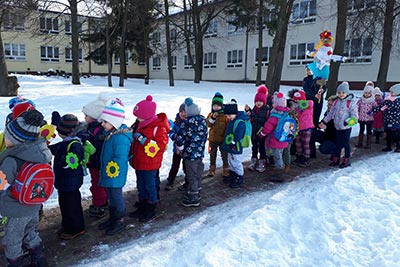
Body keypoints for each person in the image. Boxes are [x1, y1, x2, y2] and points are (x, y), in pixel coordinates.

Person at [0, 109, 51, 267]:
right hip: (33, 206)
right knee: (31, 233)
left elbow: (1, 186)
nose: (5, 138)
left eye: (7, 135)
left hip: (14, 211)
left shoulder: (11, 160)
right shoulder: (41, 153)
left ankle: (15, 264)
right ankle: (39, 259)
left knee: (12, 240)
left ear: (16, 140)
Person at [129, 95, 169, 221]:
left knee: (149, 185)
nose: (137, 118)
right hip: (139, 161)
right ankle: (143, 204)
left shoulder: (158, 127)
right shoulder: (139, 124)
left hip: (150, 163)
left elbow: (161, 146)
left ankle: (151, 207)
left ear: (147, 115)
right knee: (140, 184)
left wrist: (144, 140)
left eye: (139, 116)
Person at [97, 98, 133, 235]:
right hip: (109, 171)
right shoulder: (111, 134)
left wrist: (113, 168)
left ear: (114, 122)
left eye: (105, 122)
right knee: (110, 196)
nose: (102, 124)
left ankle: (120, 220)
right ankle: (113, 217)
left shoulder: (120, 138)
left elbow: (120, 157)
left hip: (115, 173)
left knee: (116, 196)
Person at [49, 114, 85, 240]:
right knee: (64, 204)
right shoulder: (66, 142)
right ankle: (67, 225)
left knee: (72, 206)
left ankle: (76, 228)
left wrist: (62, 161)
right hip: (64, 182)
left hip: (71, 182)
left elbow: (73, 161)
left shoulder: (74, 144)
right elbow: (55, 148)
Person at [176, 97, 208, 206]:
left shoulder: (186, 123)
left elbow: (180, 137)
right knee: (198, 172)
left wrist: (180, 148)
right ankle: (197, 189)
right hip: (199, 153)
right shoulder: (203, 122)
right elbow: (204, 136)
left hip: (190, 154)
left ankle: (193, 197)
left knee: (191, 175)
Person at [81, 95, 109, 218]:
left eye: (86, 115)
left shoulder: (97, 131)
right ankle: (104, 201)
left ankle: (99, 205)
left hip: (96, 163)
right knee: (99, 183)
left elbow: (95, 148)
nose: (84, 117)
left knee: (97, 184)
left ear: (94, 117)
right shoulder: (92, 127)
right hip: (95, 162)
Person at [319, 81, 358, 168]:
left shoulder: (350, 103)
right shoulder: (336, 102)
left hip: (346, 127)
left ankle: (346, 159)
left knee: (345, 143)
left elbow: (355, 117)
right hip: (337, 127)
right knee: (339, 143)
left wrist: (347, 121)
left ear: (347, 93)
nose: (341, 94)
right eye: (339, 93)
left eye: (343, 92)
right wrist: (325, 121)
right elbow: (331, 113)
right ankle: (336, 158)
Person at [259, 92, 291, 182]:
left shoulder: (274, 116)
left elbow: (267, 128)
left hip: (276, 140)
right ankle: (280, 168)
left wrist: (261, 134)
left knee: (277, 157)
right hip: (283, 139)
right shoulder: (286, 114)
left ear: (274, 104)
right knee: (279, 155)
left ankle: (279, 174)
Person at [222, 99, 249, 188]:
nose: (228, 117)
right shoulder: (232, 120)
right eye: (227, 115)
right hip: (231, 145)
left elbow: (238, 136)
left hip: (236, 145)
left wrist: (232, 142)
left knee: (236, 161)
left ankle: (239, 176)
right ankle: (233, 173)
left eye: (229, 115)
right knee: (231, 160)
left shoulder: (240, 122)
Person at [244, 85, 270, 173]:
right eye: (257, 101)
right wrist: (248, 112)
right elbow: (252, 118)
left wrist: (264, 132)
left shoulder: (266, 111)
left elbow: (267, 123)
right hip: (254, 133)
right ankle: (254, 160)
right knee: (254, 147)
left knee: (262, 148)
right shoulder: (254, 110)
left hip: (262, 134)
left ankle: (262, 161)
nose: (258, 103)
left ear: (264, 102)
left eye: (260, 101)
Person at [205, 92, 229, 177]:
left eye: (218, 106)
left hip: (222, 139)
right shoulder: (210, 114)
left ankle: (226, 168)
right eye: (214, 106)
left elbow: (228, 126)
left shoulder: (225, 116)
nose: (216, 107)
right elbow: (208, 124)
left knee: (224, 155)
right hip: (213, 139)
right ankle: (212, 168)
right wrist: (212, 118)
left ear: (222, 106)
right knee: (212, 154)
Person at [288, 89, 314, 167]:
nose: (298, 102)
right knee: (298, 144)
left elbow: (310, 103)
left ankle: (306, 158)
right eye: (296, 100)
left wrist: (301, 103)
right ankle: (299, 157)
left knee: (305, 144)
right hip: (298, 128)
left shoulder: (308, 104)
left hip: (307, 128)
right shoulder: (296, 108)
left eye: (299, 100)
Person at [164, 103, 187, 191]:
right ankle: (170, 180)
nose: (183, 114)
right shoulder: (176, 123)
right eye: (181, 112)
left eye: (185, 112)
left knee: (186, 166)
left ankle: (187, 181)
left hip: (185, 150)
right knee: (175, 166)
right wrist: (174, 136)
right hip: (176, 150)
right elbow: (171, 132)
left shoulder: (189, 123)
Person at [373, 84, 400, 152]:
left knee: (395, 134)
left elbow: (394, 106)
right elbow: (381, 107)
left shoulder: (397, 100)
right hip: (387, 120)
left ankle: (398, 146)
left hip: (395, 120)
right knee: (388, 134)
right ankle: (388, 146)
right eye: (390, 91)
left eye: (392, 92)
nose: (390, 93)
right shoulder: (387, 100)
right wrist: (374, 110)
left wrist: (388, 103)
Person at [355, 84, 376, 149]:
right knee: (361, 130)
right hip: (361, 118)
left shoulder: (373, 101)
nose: (367, 94)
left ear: (371, 94)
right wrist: (357, 114)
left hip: (369, 119)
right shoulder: (360, 100)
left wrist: (372, 112)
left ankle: (368, 143)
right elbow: (356, 108)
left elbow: (375, 109)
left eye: (369, 93)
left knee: (369, 131)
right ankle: (360, 143)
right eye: (365, 93)